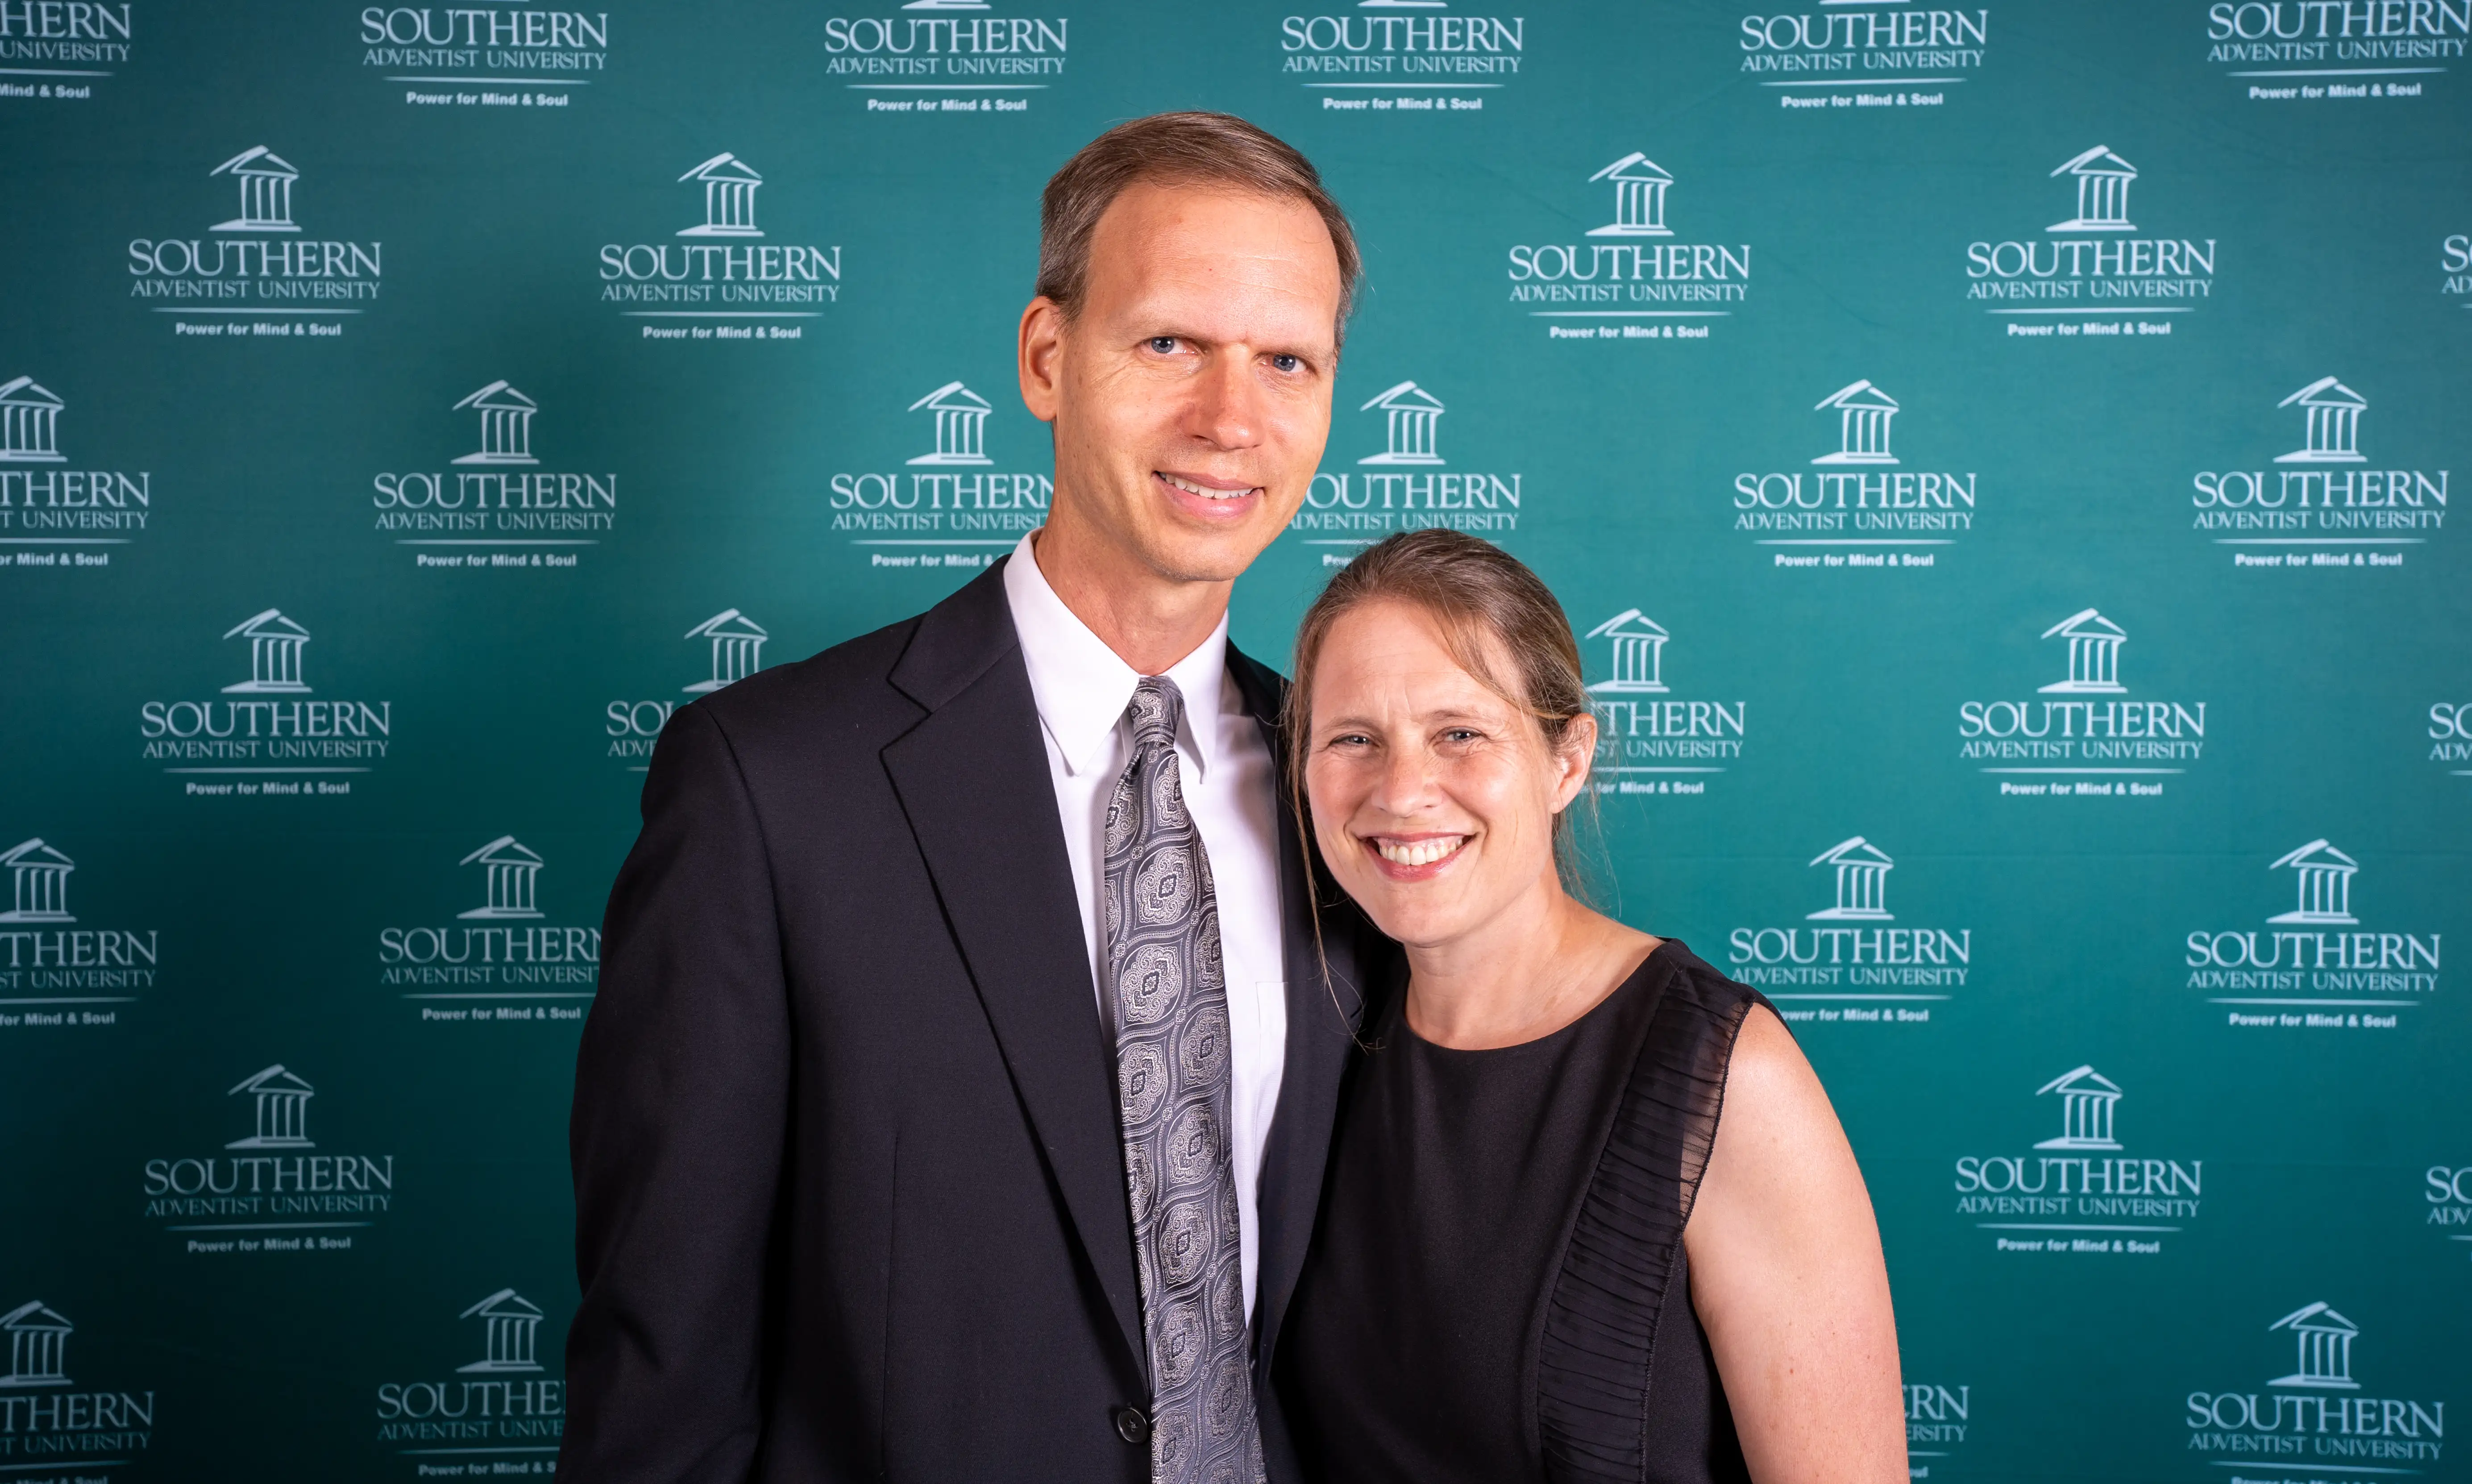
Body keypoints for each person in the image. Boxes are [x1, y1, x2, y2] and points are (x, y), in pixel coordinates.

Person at [560, 114, 1385, 1484]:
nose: (1230, 418)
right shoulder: (769, 786)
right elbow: (664, 1360)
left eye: (1286, 360)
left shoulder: (1352, 793)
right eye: (1171, 342)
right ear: (1047, 358)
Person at [1276, 531, 1908, 1484]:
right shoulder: (1313, 1037)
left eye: (1461, 733)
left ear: (1567, 758)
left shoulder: (1726, 1078)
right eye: (1354, 739)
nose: (1402, 792)